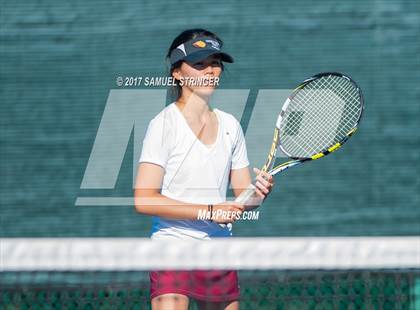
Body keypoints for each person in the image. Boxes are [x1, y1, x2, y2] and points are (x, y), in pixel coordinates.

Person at [134, 28, 275, 310]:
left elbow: (244, 199)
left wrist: (258, 193)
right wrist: (209, 211)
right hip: (172, 251)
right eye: (199, 64)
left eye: (215, 63)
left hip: (218, 250)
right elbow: (144, 198)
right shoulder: (163, 125)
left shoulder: (231, 126)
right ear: (177, 73)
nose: (210, 71)